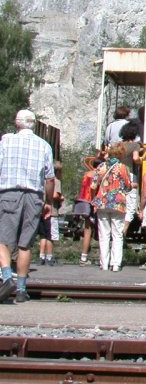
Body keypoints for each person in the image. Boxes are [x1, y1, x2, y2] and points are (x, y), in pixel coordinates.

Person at [0, 110, 56, 303]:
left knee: (2, 239)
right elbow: (49, 178)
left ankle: (7, 277)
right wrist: (48, 201)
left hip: (8, 192)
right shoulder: (44, 145)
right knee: (25, 243)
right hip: (34, 196)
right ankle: (22, 290)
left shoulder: (5, 142)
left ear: (17, 123)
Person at [91, 142, 131, 272]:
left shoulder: (101, 166)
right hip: (118, 203)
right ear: (121, 154)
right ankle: (115, 264)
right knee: (117, 234)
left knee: (104, 234)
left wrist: (95, 199)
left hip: (102, 202)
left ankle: (104, 264)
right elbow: (128, 186)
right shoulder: (123, 167)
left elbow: (93, 185)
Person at [76, 155, 102, 266]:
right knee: (98, 231)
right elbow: (94, 188)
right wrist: (95, 200)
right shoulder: (97, 175)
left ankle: (84, 256)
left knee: (87, 230)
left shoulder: (86, 174)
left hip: (83, 202)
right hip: (92, 203)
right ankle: (102, 258)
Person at [38, 160, 64, 266]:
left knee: (43, 235)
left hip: (42, 211)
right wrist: (61, 197)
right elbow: (54, 195)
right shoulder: (55, 181)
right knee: (50, 236)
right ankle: (49, 256)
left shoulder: (42, 181)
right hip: (52, 212)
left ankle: (41, 256)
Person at [119, 122, 142, 235]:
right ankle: (123, 231)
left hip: (117, 176)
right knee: (130, 206)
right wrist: (143, 160)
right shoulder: (135, 145)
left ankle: (118, 233)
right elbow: (136, 158)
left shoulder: (117, 145)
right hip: (130, 175)